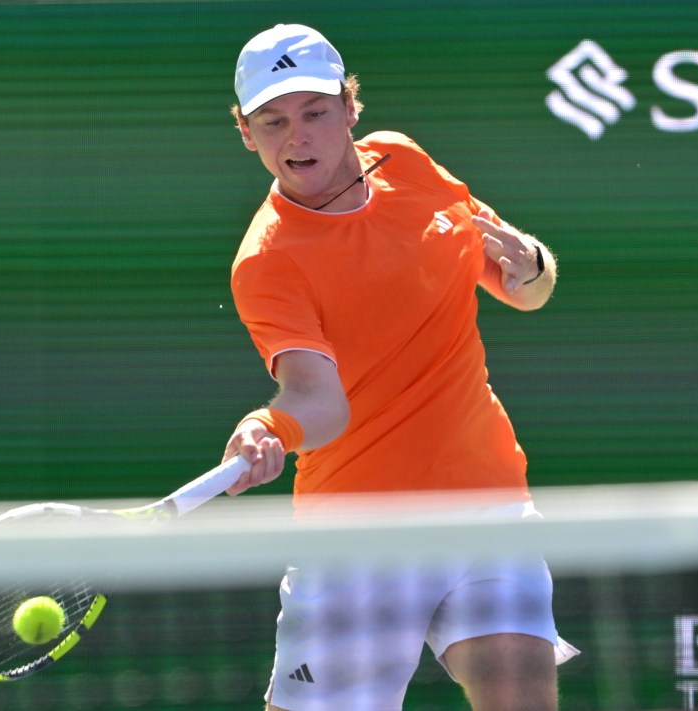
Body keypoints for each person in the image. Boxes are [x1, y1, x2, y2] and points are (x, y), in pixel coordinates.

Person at [221, 24, 577, 711]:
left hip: (487, 501)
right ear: (246, 131)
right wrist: (270, 425)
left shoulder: (405, 160)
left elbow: (525, 288)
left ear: (350, 107)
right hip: (358, 534)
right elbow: (318, 400)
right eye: (273, 121)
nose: (297, 136)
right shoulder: (267, 262)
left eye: (315, 112)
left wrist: (531, 261)